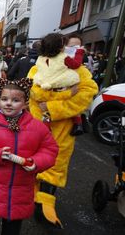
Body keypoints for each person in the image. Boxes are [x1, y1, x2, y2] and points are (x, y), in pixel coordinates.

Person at [0, 78, 58, 235]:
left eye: (15, 100)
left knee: (12, 230)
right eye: (4, 99)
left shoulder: (37, 127)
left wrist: (36, 162)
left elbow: (50, 149)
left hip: (19, 193)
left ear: (25, 103)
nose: (8, 103)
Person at [27, 33, 98, 228]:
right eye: (69, 47)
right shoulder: (40, 65)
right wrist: (63, 94)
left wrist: (53, 108)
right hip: (37, 124)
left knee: (55, 164)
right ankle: (31, 193)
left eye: (77, 48)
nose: (72, 52)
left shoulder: (81, 72)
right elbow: (32, 91)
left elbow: (87, 93)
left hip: (63, 127)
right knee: (32, 160)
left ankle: (46, 205)